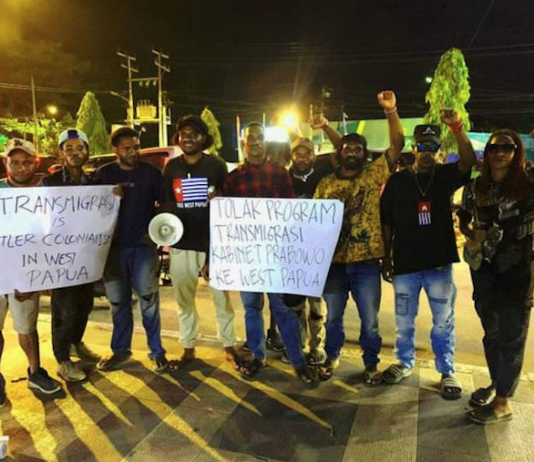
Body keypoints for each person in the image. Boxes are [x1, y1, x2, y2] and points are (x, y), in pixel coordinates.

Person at [380, 111, 476, 399]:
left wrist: (457, 128)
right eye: (422, 146)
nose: (426, 152)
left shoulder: (444, 176)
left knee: (443, 321)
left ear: (439, 150)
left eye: (432, 147)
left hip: (438, 264)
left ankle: (447, 371)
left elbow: (469, 161)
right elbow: (386, 221)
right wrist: (386, 257)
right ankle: (403, 362)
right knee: (404, 320)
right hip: (405, 265)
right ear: (413, 148)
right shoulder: (397, 182)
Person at [313, 91, 404, 384]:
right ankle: (332, 356)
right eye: (346, 148)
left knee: (371, 321)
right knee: (334, 318)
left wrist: (391, 111)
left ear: (365, 155)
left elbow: (398, 144)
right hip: (334, 264)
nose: (351, 151)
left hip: (366, 263)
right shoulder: (325, 184)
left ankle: (370, 365)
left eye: (357, 149)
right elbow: (311, 223)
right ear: (338, 153)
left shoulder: (372, 175)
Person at [224, 122, 320, 388]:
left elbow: (290, 214)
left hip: (277, 255)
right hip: (248, 255)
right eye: (249, 138)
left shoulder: (279, 175)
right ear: (243, 144)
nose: (255, 142)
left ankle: (297, 360)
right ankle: (257, 355)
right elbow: (225, 219)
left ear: (265, 143)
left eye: (259, 138)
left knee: (283, 309)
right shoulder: (234, 178)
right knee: (251, 308)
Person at [458, 129, 534, 424]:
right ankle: (496, 383)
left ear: (517, 152)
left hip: (517, 271)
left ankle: (503, 402)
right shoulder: (476, 187)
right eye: (494, 148)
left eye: (507, 148)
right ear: (486, 154)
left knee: (512, 336)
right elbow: (464, 218)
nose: (500, 153)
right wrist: (471, 235)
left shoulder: (528, 184)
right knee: (492, 333)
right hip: (484, 271)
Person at [161, 115, 236, 368]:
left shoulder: (216, 165)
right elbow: (166, 202)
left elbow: (228, 202)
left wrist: (220, 198)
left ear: (204, 138)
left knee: (221, 299)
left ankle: (228, 344)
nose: (188, 138)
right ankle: (188, 346)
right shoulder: (171, 167)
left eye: (194, 133)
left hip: (212, 245)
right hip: (181, 245)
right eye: (183, 134)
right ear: (178, 138)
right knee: (184, 300)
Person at [95, 127, 168, 373]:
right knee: (118, 303)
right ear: (116, 149)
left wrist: (156, 231)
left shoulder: (151, 173)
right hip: (113, 251)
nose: (133, 152)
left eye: (136, 146)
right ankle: (120, 351)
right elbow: (91, 209)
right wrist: (109, 197)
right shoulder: (104, 174)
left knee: (149, 300)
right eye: (127, 147)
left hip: (143, 248)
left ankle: (157, 351)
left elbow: (164, 205)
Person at [0, 139, 62, 403]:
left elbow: (52, 235)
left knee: (27, 327)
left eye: (26, 161)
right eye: (15, 161)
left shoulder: (44, 193)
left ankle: (35, 372)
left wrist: (34, 278)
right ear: (6, 163)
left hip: (26, 273)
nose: (21, 166)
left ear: (35, 163)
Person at [40, 129, 102, 382]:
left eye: (80, 148)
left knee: (85, 305)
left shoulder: (94, 183)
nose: (76, 153)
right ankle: (62, 359)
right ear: (61, 153)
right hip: (61, 258)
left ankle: (76, 342)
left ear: (87, 151)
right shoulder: (49, 183)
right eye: (70, 149)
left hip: (86, 258)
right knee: (63, 310)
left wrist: (114, 197)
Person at [286, 137, 334, 365]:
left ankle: (317, 346)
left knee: (316, 305)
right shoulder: (283, 178)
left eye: (306, 153)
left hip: (317, 251)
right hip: (292, 252)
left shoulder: (324, 176)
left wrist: (324, 126)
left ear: (313, 156)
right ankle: (297, 346)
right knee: (294, 306)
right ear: (292, 156)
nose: (302, 158)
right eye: (298, 153)